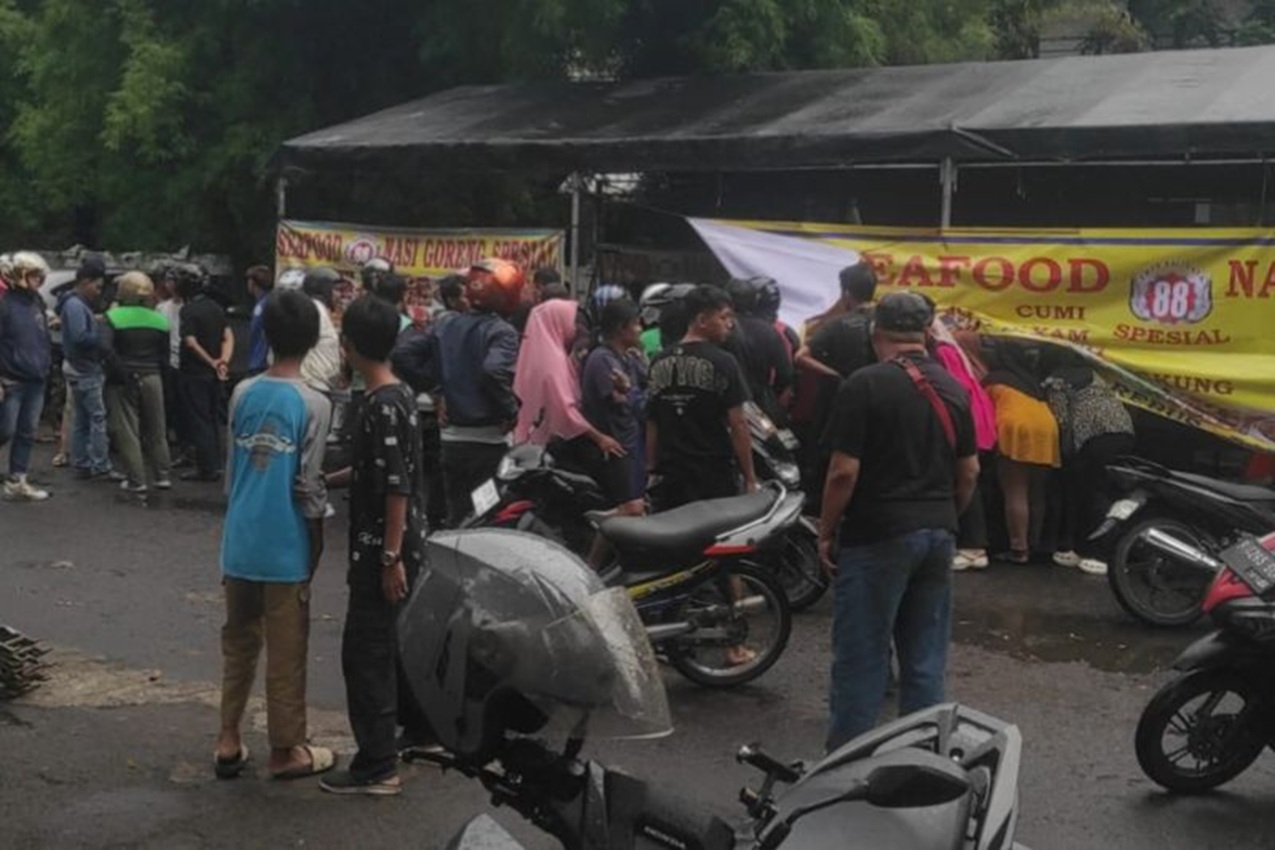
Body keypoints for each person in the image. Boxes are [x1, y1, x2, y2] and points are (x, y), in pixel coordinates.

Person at [818, 292, 979, 751]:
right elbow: (969, 472)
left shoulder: (864, 385)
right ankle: (920, 759)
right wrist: (944, 515)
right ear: (926, 333)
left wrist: (826, 531)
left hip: (877, 533)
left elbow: (843, 472)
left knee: (862, 658)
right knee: (925, 658)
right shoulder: (954, 387)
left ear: (876, 334)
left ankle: (847, 763)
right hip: (938, 532)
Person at [214, 288, 334, 782]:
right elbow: (308, 485)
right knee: (286, 651)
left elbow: (232, 470)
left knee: (238, 643)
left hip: (239, 539)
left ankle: (228, 738)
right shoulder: (314, 403)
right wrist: (316, 541)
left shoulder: (243, 392)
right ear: (313, 340)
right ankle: (287, 749)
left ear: (264, 334)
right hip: (285, 546)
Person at [320, 295, 430, 796]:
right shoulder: (399, 394)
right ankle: (417, 733)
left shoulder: (380, 405)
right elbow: (378, 470)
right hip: (402, 547)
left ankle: (377, 765)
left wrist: (389, 558)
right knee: (393, 647)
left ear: (348, 345)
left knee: (366, 656)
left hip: (383, 552)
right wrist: (329, 479)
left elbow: (396, 487)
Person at [646, 284, 756, 510]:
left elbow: (652, 422)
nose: (730, 324)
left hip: (672, 476)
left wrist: (651, 469)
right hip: (713, 475)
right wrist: (750, 478)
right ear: (702, 320)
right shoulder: (724, 362)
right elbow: (738, 424)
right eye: (724, 317)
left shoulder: (658, 362)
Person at [513, 298, 629, 502]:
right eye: (570, 322)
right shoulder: (552, 362)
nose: (574, 328)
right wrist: (600, 438)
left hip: (534, 443)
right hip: (552, 446)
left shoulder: (541, 353)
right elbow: (564, 410)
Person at [1042, 348, 1136, 575]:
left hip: (1096, 438)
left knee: (1093, 493)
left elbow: (1062, 420)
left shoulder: (1056, 380)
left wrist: (1065, 457)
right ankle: (1088, 549)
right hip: (1124, 431)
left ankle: (1100, 554)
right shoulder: (1094, 374)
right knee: (1105, 490)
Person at [792, 262, 878, 500]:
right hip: (879, 404)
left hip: (837, 407)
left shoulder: (836, 324)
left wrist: (834, 375)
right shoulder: (885, 323)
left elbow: (801, 357)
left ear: (846, 293)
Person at [984, 340, 1060, 564]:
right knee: (1037, 491)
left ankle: (1019, 549)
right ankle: (1034, 542)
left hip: (1016, 428)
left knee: (1015, 490)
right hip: (1047, 428)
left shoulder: (994, 379)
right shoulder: (1032, 381)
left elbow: (983, 411)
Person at [930, 323, 997, 571]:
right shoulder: (953, 350)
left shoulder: (943, 352)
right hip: (977, 418)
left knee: (967, 480)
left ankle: (973, 546)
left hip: (965, 421)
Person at [102, 273, 173, 493]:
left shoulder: (113, 317)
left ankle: (136, 479)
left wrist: (118, 371)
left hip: (124, 378)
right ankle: (163, 475)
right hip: (153, 377)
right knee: (157, 429)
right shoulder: (160, 320)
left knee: (127, 430)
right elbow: (165, 356)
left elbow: (104, 347)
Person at [581, 298, 648, 508]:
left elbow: (649, 383)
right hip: (617, 448)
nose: (640, 329)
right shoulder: (602, 359)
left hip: (632, 444)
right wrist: (630, 392)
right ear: (621, 328)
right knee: (628, 506)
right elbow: (622, 399)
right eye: (636, 324)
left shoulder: (628, 357)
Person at [0, 252, 54, 501]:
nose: (39, 280)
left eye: (40, 275)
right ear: (19, 275)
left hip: (36, 377)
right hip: (10, 378)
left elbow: (40, 337)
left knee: (27, 431)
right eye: (34, 275)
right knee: (5, 430)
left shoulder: (37, 302)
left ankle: (17, 480)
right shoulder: (4, 304)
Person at [61, 258, 119, 481]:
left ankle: (82, 463)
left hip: (77, 367)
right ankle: (100, 464)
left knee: (82, 419)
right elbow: (80, 337)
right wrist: (100, 333)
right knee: (96, 418)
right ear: (85, 282)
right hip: (85, 368)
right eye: (97, 286)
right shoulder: (76, 305)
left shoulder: (73, 304)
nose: (98, 291)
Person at [176, 270, 232, 482]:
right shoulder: (216, 308)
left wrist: (209, 360)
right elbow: (227, 336)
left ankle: (206, 467)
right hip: (213, 375)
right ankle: (216, 463)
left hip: (194, 372)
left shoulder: (188, 311)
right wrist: (222, 362)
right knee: (212, 418)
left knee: (199, 420)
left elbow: (190, 342)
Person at [723, 276, 793, 425]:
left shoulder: (719, 329)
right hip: (761, 404)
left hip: (726, 405)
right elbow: (785, 374)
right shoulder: (768, 330)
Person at [244, 265, 274, 376]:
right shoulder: (267, 302)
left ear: (253, 282)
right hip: (261, 361)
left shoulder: (262, 306)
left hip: (260, 362)